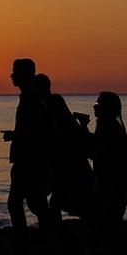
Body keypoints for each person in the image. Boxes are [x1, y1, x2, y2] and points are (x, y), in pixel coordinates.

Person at [1, 59, 51, 247]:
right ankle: (46, 236)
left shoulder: (31, 99)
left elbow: (34, 130)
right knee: (35, 202)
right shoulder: (31, 97)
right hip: (31, 158)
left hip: (28, 159)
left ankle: (24, 240)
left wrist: (15, 135)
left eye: (15, 72)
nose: (11, 75)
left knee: (17, 203)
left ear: (24, 74)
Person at [34, 74, 93, 232]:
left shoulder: (51, 103)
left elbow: (52, 133)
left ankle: (59, 236)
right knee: (69, 203)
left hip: (69, 165)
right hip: (66, 164)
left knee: (62, 202)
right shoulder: (50, 105)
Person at [89, 91, 127, 255]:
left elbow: (104, 155)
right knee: (110, 228)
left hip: (115, 186)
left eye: (98, 106)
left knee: (109, 229)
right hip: (113, 185)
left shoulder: (110, 129)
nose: (95, 109)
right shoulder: (107, 127)